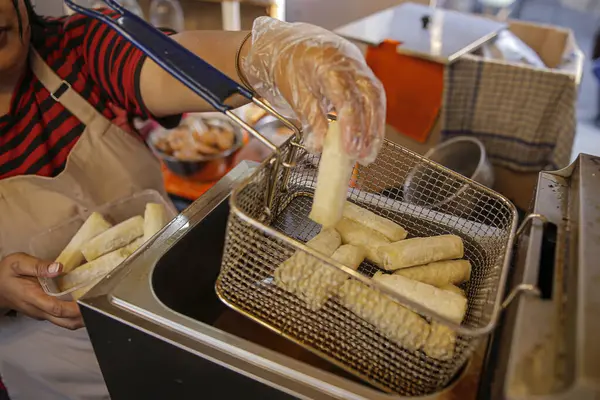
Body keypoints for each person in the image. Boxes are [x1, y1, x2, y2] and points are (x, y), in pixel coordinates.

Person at [0, 0, 385, 398]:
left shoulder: (77, 49)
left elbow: (177, 64)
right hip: (57, 378)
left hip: (176, 321)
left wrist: (272, 56)